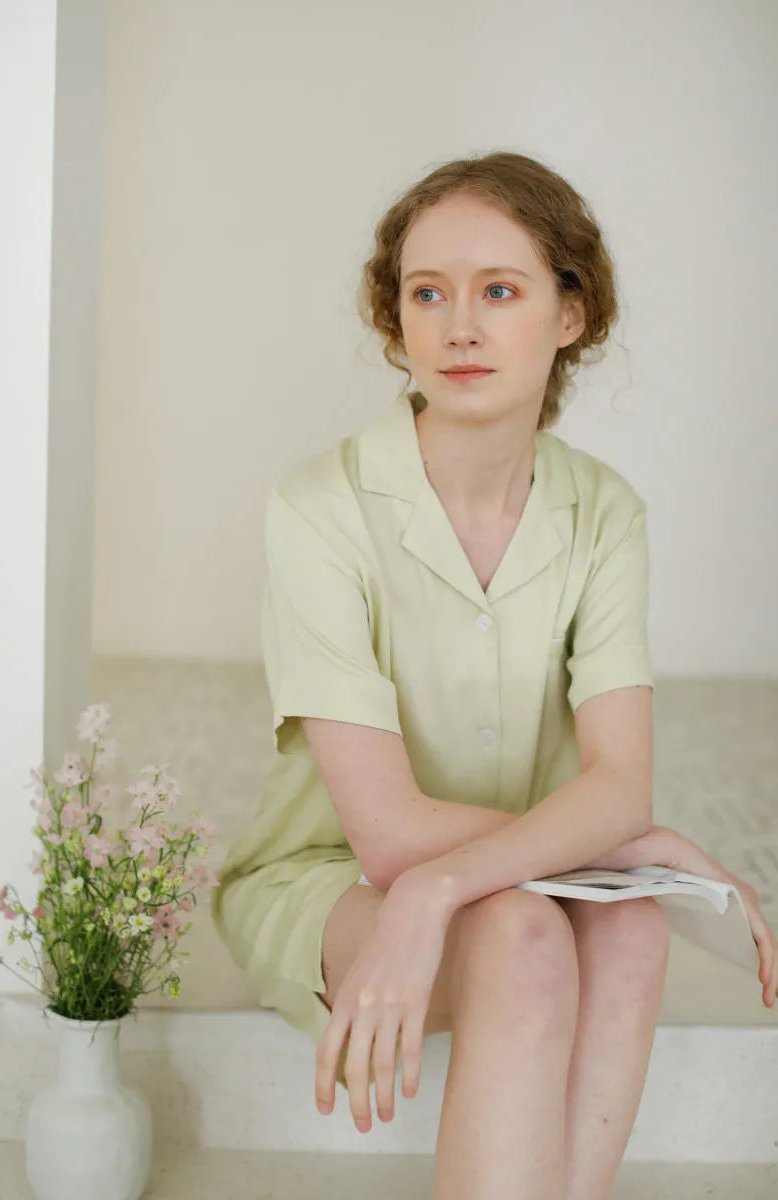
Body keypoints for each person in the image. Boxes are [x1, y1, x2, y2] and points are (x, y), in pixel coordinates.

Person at [211, 151, 777, 1200]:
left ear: (571, 313)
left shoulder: (604, 512)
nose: (457, 326)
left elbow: (617, 778)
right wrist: (623, 840)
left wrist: (506, 866)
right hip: (330, 879)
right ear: (395, 320)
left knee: (628, 925)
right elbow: (383, 834)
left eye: (497, 291)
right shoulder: (318, 507)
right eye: (426, 294)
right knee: (521, 932)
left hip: (533, 867)